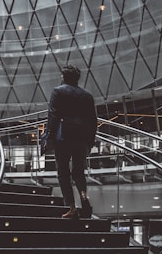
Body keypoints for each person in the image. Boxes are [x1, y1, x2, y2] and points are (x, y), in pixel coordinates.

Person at [43, 65, 97, 219]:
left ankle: (72, 208)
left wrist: (49, 138)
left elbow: (53, 116)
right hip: (82, 139)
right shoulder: (87, 96)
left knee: (63, 172)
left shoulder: (58, 91)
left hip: (64, 137)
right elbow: (93, 120)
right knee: (79, 172)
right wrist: (90, 141)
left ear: (63, 77)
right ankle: (84, 197)